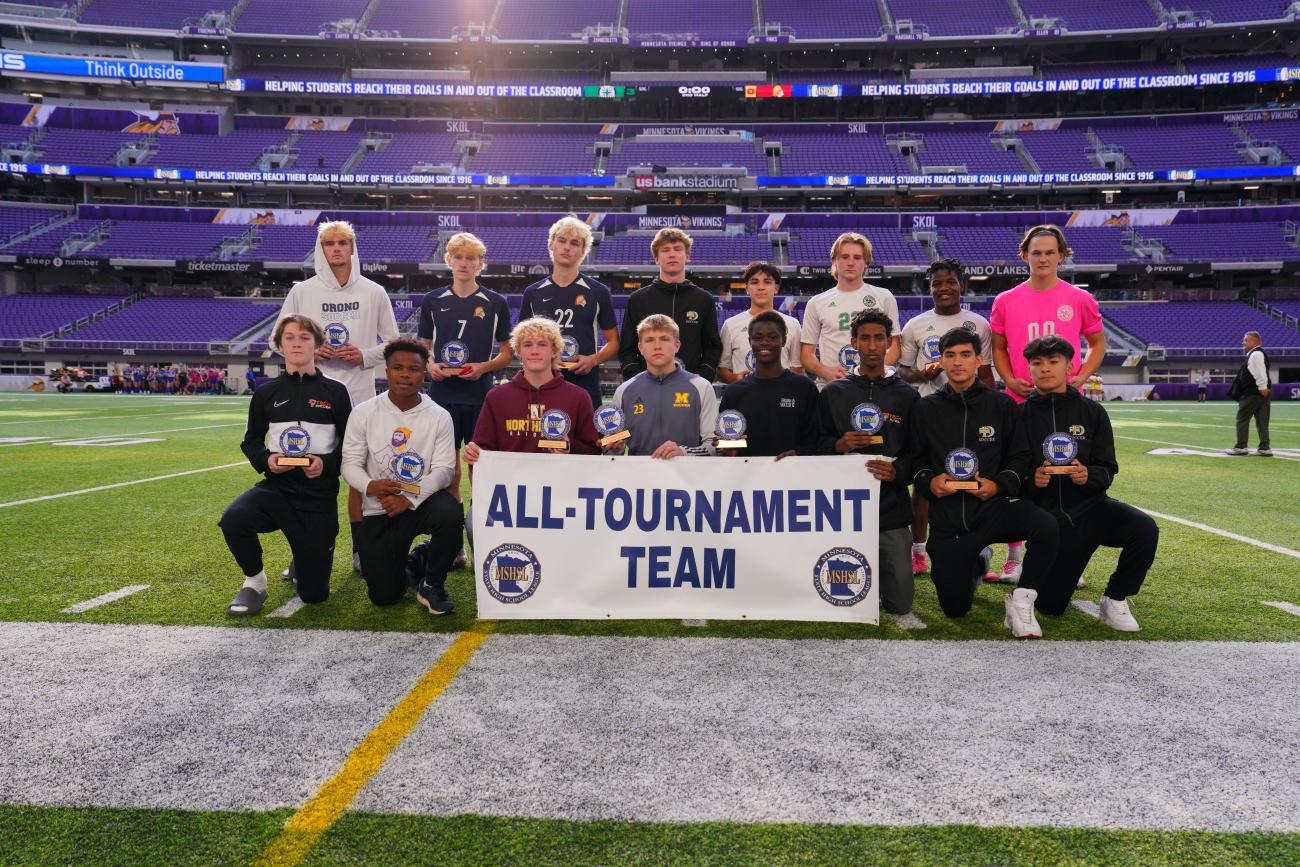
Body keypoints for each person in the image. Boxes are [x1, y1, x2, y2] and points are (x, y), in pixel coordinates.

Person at [906, 328, 1064, 638]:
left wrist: (998, 485)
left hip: (993, 510)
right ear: (941, 360)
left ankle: (1022, 599)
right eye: (950, 355)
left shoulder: (1001, 405)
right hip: (950, 522)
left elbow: (1019, 458)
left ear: (979, 360)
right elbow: (915, 460)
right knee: (955, 608)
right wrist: (929, 481)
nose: (957, 362)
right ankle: (979, 562)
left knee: (1046, 526)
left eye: (965, 354)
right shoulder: (926, 408)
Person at [279, 220, 401, 572]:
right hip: (310, 394)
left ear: (352, 247)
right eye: (329, 243)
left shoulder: (374, 291)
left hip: (360, 396)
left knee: (359, 476)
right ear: (321, 248)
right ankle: (302, 553)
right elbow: (282, 339)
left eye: (342, 242)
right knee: (306, 474)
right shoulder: (303, 291)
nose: (336, 249)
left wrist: (362, 355)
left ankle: (361, 549)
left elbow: (392, 343)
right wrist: (308, 353)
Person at [989, 225, 1107, 585]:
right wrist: (1009, 380)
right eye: (1035, 252)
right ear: (1024, 255)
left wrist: (1081, 375)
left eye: (1049, 252)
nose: (1042, 258)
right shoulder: (1006, 300)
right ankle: (1013, 557)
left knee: (1068, 474)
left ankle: (1072, 556)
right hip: (1020, 400)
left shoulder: (1079, 298)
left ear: (1061, 255)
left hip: (1064, 403)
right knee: (1021, 476)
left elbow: (1097, 344)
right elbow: (997, 347)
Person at [1019, 335, 1157, 631]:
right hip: (1049, 521)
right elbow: (1012, 473)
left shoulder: (1093, 412)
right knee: (1050, 607)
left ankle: (1116, 598)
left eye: (1053, 362)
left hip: (1092, 509)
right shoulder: (1019, 416)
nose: (1045, 368)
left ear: (1069, 366)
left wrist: (1088, 475)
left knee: (1144, 528)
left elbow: (1108, 467)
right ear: (1029, 369)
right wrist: (1032, 479)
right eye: (1037, 363)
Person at [219, 314, 352, 616]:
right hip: (278, 490)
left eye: (305, 337)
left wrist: (326, 463)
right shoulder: (267, 392)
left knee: (314, 595)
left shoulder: (336, 391)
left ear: (317, 344)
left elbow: (352, 445)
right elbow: (251, 440)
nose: (297, 343)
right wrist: (267, 459)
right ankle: (254, 583)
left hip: (318, 496)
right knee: (234, 519)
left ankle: (303, 555)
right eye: (289, 337)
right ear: (279, 344)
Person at [342, 339, 463, 615]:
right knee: (385, 596)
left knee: (451, 514)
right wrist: (369, 485)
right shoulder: (363, 412)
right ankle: (415, 562)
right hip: (381, 506)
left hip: (420, 504)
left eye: (413, 369)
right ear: (386, 370)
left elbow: (445, 471)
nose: (405, 374)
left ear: (425, 373)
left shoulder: (439, 416)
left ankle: (432, 583)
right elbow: (349, 464)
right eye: (398, 368)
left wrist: (408, 497)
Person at [417, 231, 514, 565]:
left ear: (480, 264)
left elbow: (507, 351)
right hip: (442, 395)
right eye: (458, 257)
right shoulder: (432, 300)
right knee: (448, 471)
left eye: (471, 258)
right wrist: (431, 367)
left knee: (479, 469)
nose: (464, 263)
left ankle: (480, 540)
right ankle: (453, 545)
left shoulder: (495, 302)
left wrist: (483, 366)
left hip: (479, 395)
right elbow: (423, 349)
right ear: (449, 260)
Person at [816, 310, 920, 616]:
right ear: (854, 342)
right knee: (844, 600)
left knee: (900, 605)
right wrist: (839, 444)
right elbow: (813, 446)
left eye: (879, 338)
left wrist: (898, 471)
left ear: (889, 342)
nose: (872, 345)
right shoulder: (833, 393)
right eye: (865, 338)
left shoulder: (907, 396)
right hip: (842, 512)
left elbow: (919, 454)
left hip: (890, 510)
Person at [897, 258, 994, 577]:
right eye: (937, 283)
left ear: (961, 285)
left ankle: (977, 544)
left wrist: (989, 407)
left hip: (969, 414)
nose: (944, 288)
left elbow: (986, 373)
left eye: (950, 281)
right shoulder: (915, 325)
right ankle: (918, 551)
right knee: (924, 484)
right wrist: (922, 374)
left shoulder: (979, 324)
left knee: (971, 477)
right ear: (929, 288)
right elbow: (903, 371)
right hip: (929, 411)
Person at [465, 316, 601, 459]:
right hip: (511, 480)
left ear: (554, 351)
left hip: (560, 479)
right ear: (518, 352)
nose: (534, 351)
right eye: (527, 345)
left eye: (542, 344)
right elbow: (482, 449)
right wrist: (473, 453)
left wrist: (569, 446)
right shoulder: (496, 397)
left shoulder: (578, 397)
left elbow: (593, 451)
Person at [519, 215, 620, 408]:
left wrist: (592, 360)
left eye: (574, 243)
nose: (567, 247)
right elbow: (520, 344)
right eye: (562, 240)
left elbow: (614, 342)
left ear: (583, 250)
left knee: (588, 439)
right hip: (541, 384)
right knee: (540, 438)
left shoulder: (598, 292)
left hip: (585, 384)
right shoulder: (532, 293)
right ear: (551, 244)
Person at [616, 228, 722, 382]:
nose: (672, 254)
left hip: (691, 387)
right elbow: (627, 348)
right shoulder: (638, 299)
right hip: (646, 388)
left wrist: (701, 379)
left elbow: (712, 347)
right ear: (656, 258)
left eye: (677, 249)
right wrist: (637, 379)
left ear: (687, 256)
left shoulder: (703, 299)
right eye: (665, 250)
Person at [800, 231, 900, 387]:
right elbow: (806, 355)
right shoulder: (816, 303)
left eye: (857, 257)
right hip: (832, 387)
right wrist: (825, 371)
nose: (851, 263)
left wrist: (870, 372)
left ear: (866, 262)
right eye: (845, 257)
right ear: (834, 260)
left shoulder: (884, 297)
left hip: (874, 385)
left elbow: (895, 347)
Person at [612, 314, 717, 458]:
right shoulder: (624, 391)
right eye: (649, 340)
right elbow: (614, 449)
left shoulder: (701, 387)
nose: (657, 346)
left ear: (677, 345)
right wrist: (612, 447)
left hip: (686, 477)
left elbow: (713, 446)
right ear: (640, 348)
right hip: (638, 478)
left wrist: (684, 452)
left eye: (664, 339)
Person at [718, 310, 819, 458]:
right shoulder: (734, 393)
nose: (764, 342)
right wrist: (728, 449)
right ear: (749, 341)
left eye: (772, 337)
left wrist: (800, 454)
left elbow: (818, 441)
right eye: (757, 337)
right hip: (747, 476)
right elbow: (728, 445)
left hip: (793, 476)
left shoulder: (804, 388)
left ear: (783, 340)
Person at [718, 261, 803, 383]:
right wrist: (737, 379)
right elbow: (721, 370)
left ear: (776, 288)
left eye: (767, 282)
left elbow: (797, 367)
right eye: (754, 282)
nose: (761, 287)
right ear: (747, 288)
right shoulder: (730, 325)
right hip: (744, 397)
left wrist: (782, 385)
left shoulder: (793, 324)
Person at [1226, 331, 1272, 457]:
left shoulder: (1256, 354)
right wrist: (1264, 388)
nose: (1243, 343)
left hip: (1253, 393)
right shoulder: (1257, 353)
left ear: (1253, 342)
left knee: (1242, 419)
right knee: (1262, 420)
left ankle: (1241, 447)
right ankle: (1265, 447)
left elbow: (1259, 372)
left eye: (1245, 340)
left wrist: (1262, 386)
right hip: (1261, 392)